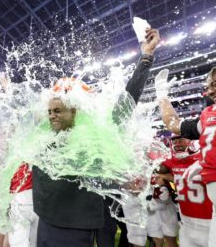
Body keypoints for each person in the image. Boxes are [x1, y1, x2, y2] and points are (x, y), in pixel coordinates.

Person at [33, 28, 160, 247]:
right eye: (50, 110)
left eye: (58, 110)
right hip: (46, 220)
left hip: (78, 226)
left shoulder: (94, 135)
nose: (52, 114)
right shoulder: (42, 134)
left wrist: (146, 58)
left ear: (75, 110)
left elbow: (126, 104)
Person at [157, 58, 216, 246]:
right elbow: (173, 124)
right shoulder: (208, 115)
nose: (210, 91)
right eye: (208, 86)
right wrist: (161, 94)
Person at [158, 136, 212, 247]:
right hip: (186, 224)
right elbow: (157, 171)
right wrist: (164, 178)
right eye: (174, 141)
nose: (177, 143)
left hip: (210, 224)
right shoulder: (173, 162)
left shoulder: (207, 158)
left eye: (181, 139)